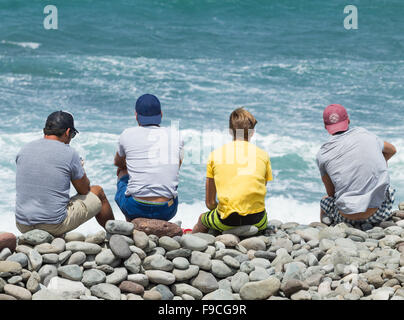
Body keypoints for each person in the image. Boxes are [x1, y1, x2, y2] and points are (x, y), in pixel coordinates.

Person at [15, 111, 115, 237]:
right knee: (98, 191)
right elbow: (84, 190)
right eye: (72, 134)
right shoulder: (69, 153)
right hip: (54, 224)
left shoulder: (24, 149)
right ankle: (116, 234)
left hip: (22, 224)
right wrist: (80, 169)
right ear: (67, 132)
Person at [192, 107, 273, 234]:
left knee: (203, 219)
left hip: (227, 221)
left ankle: (193, 242)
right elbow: (259, 190)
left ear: (230, 131)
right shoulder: (263, 155)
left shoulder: (215, 155)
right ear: (252, 132)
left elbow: (210, 203)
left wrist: (221, 209)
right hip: (257, 220)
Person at [317, 104, 397, 229]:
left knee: (324, 200)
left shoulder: (322, 153)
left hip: (344, 217)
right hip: (378, 213)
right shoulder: (365, 135)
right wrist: (377, 164)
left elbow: (331, 193)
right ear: (348, 120)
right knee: (389, 190)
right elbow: (392, 150)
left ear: (325, 127)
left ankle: (327, 231)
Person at [114, 94, 184, 222]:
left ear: (136, 116)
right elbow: (177, 166)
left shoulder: (127, 134)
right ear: (161, 114)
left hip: (135, 207)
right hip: (167, 209)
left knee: (122, 172)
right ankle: (160, 224)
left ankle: (130, 222)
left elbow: (117, 163)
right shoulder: (176, 135)